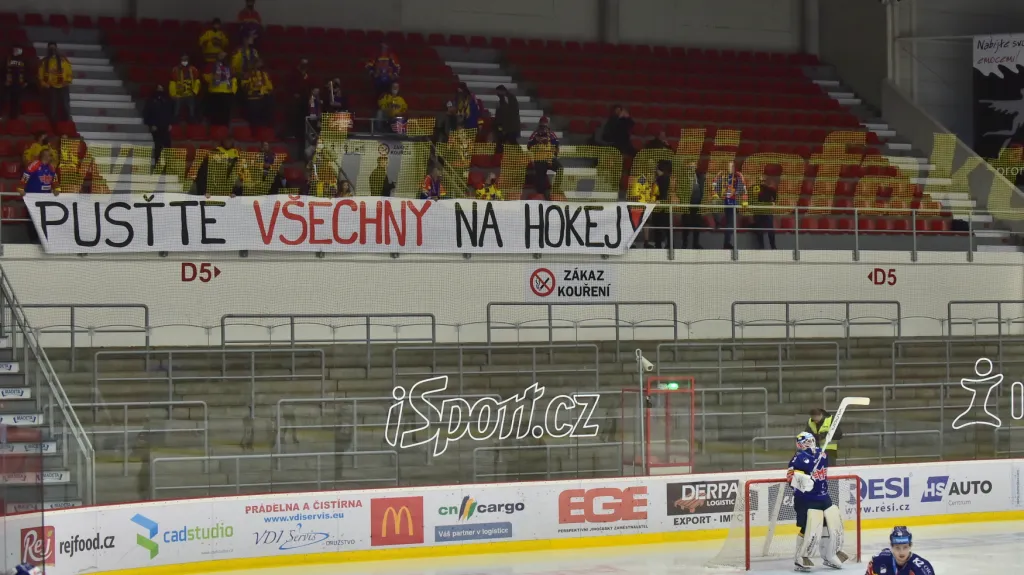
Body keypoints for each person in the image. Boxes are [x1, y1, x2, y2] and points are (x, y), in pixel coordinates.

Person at [788, 432, 848, 572]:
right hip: (806, 499)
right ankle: (800, 558)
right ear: (800, 444)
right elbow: (790, 477)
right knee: (809, 527)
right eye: (806, 442)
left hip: (823, 496)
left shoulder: (822, 454)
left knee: (831, 524)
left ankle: (829, 555)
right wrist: (802, 480)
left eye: (811, 441)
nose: (809, 444)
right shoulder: (799, 458)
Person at [866, 527, 934, 575]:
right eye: (897, 548)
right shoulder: (879, 561)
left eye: (905, 547)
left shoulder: (923, 569)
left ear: (910, 546)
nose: (901, 552)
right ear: (891, 546)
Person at [712, 160, 747, 250]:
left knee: (730, 223)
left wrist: (744, 200)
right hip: (723, 199)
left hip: (733, 200)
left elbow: (743, 187)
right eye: (728, 166)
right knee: (713, 203)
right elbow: (714, 185)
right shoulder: (722, 176)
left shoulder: (738, 176)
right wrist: (715, 194)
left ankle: (726, 243)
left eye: (731, 166)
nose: (730, 168)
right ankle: (717, 222)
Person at [37, 42, 72, 126]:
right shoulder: (44, 62)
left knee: (65, 106)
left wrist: (67, 81)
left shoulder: (64, 60)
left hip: (63, 86)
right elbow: (40, 76)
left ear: (57, 49)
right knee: (53, 108)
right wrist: (45, 84)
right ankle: (54, 125)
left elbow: (69, 72)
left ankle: (66, 125)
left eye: (54, 48)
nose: (52, 50)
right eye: (50, 48)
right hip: (51, 87)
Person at [527, 115, 559, 200]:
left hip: (549, 159)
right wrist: (537, 141)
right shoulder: (535, 134)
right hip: (539, 159)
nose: (544, 126)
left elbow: (556, 144)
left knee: (560, 169)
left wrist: (554, 154)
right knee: (540, 181)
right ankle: (541, 197)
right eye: (543, 124)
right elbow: (529, 145)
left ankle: (555, 189)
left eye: (545, 124)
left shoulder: (551, 134)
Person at [143, 84, 173, 171]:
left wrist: (170, 123)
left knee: (167, 146)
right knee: (158, 147)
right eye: (159, 88)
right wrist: (151, 125)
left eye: (161, 88)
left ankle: (167, 166)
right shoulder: (151, 101)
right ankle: (158, 165)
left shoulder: (167, 100)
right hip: (156, 127)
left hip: (165, 126)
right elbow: (146, 114)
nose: (160, 90)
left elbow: (170, 112)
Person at [204, 52, 237, 126]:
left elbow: (234, 78)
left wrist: (233, 90)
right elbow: (205, 77)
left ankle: (224, 130)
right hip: (215, 92)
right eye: (221, 56)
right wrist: (213, 76)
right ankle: (214, 130)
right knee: (215, 113)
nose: (223, 57)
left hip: (227, 92)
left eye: (224, 56)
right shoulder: (212, 66)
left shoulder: (230, 67)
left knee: (226, 114)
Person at [241, 59, 273, 128]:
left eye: (261, 63)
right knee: (254, 119)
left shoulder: (264, 74)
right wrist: (253, 85)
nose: (260, 64)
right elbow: (244, 86)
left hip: (263, 98)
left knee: (264, 117)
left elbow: (269, 86)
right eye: (258, 63)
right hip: (253, 98)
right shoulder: (248, 74)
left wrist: (266, 89)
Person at [170, 54, 201, 123]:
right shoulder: (175, 69)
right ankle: (175, 122)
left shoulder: (193, 69)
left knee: (192, 111)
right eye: (183, 60)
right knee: (176, 111)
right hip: (179, 94)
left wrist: (195, 91)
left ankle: (192, 121)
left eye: (186, 60)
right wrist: (173, 93)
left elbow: (197, 81)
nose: (184, 61)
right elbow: (172, 82)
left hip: (190, 94)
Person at [752, 175, 778, 250]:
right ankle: (761, 247)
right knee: (759, 230)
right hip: (759, 212)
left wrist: (772, 203)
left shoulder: (770, 190)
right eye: (760, 181)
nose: (762, 183)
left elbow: (774, 200)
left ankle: (773, 246)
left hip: (767, 212)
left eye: (763, 181)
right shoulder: (755, 190)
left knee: (770, 229)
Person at [2, 45, 27, 120]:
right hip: (9, 83)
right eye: (15, 49)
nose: (17, 51)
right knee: (7, 99)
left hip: (19, 83)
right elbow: (4, 70)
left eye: (18, 49)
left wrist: (26, 81)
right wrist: (4, 80)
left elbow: (27, 71)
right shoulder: (8, 59)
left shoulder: (23, 59)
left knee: (17, 99)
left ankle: (15, 115)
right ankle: (6, 115)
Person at [493, 84, 520, 154]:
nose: (497, 94)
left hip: (509, 127)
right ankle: (498, 158)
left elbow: (509, 113)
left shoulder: (508, 98)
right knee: (501, 141)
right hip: (505, 126)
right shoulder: (504, 99)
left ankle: (521, 156)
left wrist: (504, 128)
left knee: (509, 140)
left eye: (498, 92)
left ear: (502, 91)